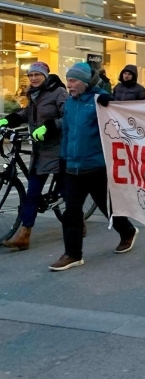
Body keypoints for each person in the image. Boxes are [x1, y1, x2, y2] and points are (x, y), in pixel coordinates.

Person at [49, 63, 138, 271]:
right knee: (71, 211)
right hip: (72, 167)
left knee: (107, 207)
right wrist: (63, 159)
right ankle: (72, 254)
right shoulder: (70, 104)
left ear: (85, 82)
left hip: (96, 166)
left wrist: (108, 100)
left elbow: (117, 123)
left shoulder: (98, 101)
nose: (69, 85)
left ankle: (127, 232)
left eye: (73, 81)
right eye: (68, 80)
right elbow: (67, 133)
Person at [0, 63, 68, 251]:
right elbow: (28, 113)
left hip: (58, 148)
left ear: (45, 75)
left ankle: (78, 222)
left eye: (37, 75)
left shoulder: (59, 92)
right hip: (39, 150)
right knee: (32, 194)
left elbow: (68, 116)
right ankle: (24, 235)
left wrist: (50, 126)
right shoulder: (34, 93)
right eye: (31, 75)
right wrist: (9, 120)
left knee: (67, 191)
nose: (34, 78)